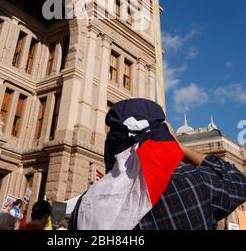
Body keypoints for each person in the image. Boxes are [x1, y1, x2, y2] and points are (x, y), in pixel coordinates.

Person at [70, 98, 246, 230]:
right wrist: (179, 148)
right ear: (164, 137)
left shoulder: (84, 204)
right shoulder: (195, 183)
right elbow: (239, 180)